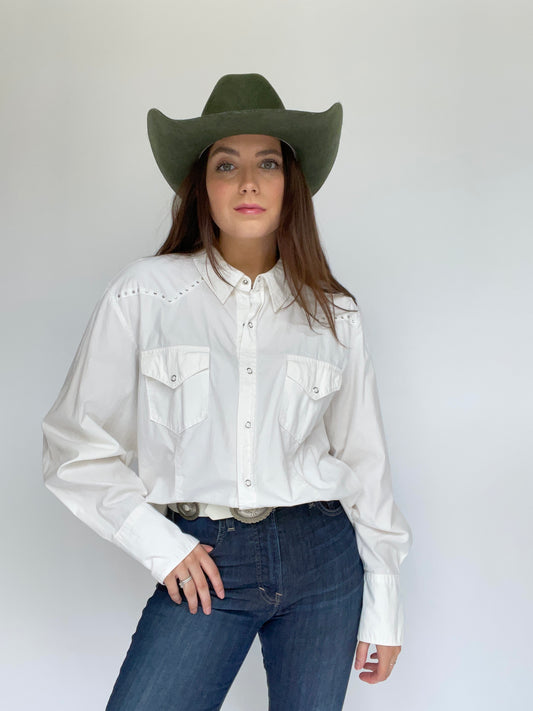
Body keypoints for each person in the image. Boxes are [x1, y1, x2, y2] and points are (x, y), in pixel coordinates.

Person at [41, 73, 412, 710]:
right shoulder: (147, 293)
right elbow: (75, 447)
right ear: (201, 187)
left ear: (290, 183)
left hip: (323, 559)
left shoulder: (333, 314)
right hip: (207, 559)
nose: (247, 182)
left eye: (267, 163)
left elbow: (363, 460)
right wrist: (161, 547)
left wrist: (384, 599)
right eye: (226, 164)